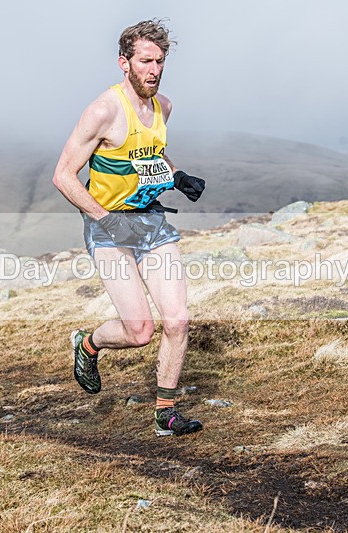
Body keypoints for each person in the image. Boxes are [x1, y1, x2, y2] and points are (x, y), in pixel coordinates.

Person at [52, 19, 206, 437]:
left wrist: (177, 177)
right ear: (124, 63)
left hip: (151, 222)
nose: (153, 70)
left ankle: (166, 414)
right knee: (140, 332)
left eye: (160, 61)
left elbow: (151, 155)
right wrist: (107, 220)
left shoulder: (163, 107)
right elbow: (64, 175)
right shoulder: (103, 111)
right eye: (144, 61)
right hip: (107, 228)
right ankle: (89, 344)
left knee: (177, 321)